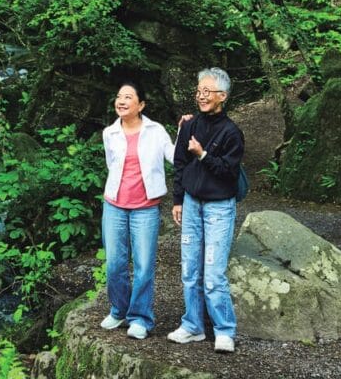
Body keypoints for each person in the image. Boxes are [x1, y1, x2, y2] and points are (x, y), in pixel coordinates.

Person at [167, 67, 245, 354]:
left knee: (213, 273)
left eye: (207, 91)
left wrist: (203, 154)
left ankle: (225, 330)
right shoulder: (188, 125)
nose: (201, 96)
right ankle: (193, 325)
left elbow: (228, 172)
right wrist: (177, 199)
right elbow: (179, 162)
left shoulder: (232, 132)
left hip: (219, 208)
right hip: (191, 203)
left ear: (222, 96)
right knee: (189, 269)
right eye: (199, 91)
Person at [100, 81, 176, 340]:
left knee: (143, 266)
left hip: (145, 209)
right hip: (114, 207)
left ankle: (141, 318)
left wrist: (189, 132)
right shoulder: (109, 133)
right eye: (119, 96)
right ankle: (119, 310)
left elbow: (175, 157)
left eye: (128, 97)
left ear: (141, 105)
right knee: (115, 265)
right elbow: (112, 165)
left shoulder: (156, 131)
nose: (121, 101)